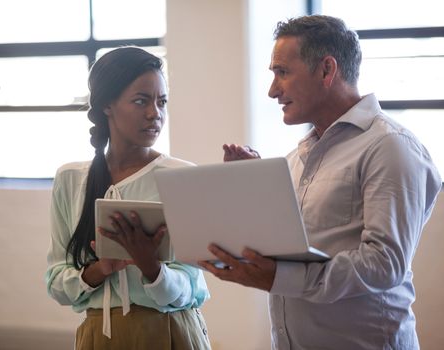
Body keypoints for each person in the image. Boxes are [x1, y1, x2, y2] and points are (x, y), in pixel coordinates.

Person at [199, 15, 442, 350]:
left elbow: (384, 264)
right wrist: (257, 188)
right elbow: (297, 241)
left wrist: (278, 278)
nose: (272, 91)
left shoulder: (390, 147)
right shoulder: (295, 158)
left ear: (327, 70)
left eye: (282, 72)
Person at [46, 47, 211, 350]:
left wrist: (152, 268)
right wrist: (101, 269)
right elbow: (56, 283)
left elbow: (192, 286)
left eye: (162, 102)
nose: (154, 113)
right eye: (141, 101)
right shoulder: (70, 179)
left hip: (170, 332)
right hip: (97, 337)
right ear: (107, 105)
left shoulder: (183, 178)